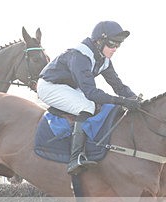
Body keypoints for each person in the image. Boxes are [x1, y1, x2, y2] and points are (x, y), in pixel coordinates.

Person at [37, 20, 141, 175]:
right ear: (99, 41)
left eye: (118, 44)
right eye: (112, 44)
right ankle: (75, 158)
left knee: (99, 106)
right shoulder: (81, 55)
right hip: (50, 86)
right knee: (88, 106)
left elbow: (118, 86)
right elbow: (91, 93)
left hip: (69, 87)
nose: (115, 49)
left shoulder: (103, 59)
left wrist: (135, 100)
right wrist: (122, 101)